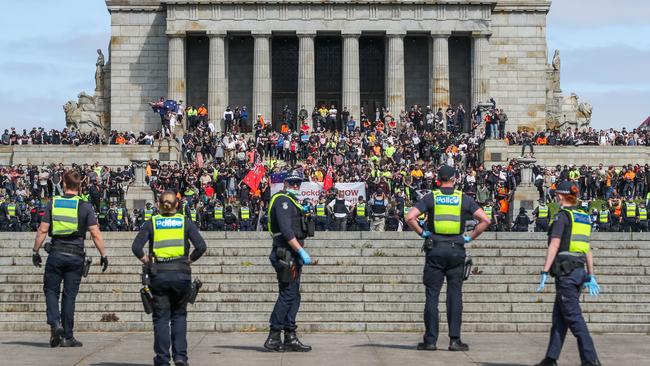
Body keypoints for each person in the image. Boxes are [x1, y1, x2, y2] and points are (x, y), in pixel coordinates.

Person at [405, 165, 490, 352]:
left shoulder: (431, 197)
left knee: (432, 296)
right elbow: (486, 220)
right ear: (454, 179)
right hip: (456, 250)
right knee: (454, 296)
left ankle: (430, 341)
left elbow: (410, 217)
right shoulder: (463, 198)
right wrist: (469, 237)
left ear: (438, 179)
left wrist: (424, 233)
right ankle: (454, 340)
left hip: (435, 249)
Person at [31, 170, 109, 348]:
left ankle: (55, 322)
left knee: (51, 290)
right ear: (80, 185)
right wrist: (103, 255)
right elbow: (95, 233)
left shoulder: (54, 203)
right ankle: (67, 336)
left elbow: (43, 230)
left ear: (64, 184)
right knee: (69, 297)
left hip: (56, 253)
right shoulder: (85, 206)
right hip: (76, 255)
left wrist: (35, 251)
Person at [131, 191, 207, 366]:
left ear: (158, 205)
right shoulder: (184, 222)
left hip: (159, 274)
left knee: (161, 318)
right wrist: (189, 260)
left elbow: (136, 247)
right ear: (177, 205)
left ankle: (163, 359)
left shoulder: (152, 223)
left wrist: (147, 261)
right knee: (179, 316)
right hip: (181, 274)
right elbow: (201, 247)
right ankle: (180, 356)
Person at [534, 181, 601, 366]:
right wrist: (591, 274)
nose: (555, 197)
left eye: (556, 195)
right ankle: (551, 358)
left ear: (561, 196)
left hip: (566, 274)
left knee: (574, 318)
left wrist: (545, 271)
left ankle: (590, 360)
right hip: (579, 272)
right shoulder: (583, 216)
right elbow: (587, 248)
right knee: (560, 318)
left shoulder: (562, 217)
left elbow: (554, 244)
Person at [264, 170, 314, 352]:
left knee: (293, 295)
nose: (295, 186)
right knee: (287, 295)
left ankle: (290, 336)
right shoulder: (282, 200)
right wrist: (301, 251)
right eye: (292, 182)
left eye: (298, 183)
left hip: (291, 254)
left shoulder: (292, 201)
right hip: (286, 254)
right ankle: (274, 336)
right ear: (285, 183)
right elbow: (286, 230)